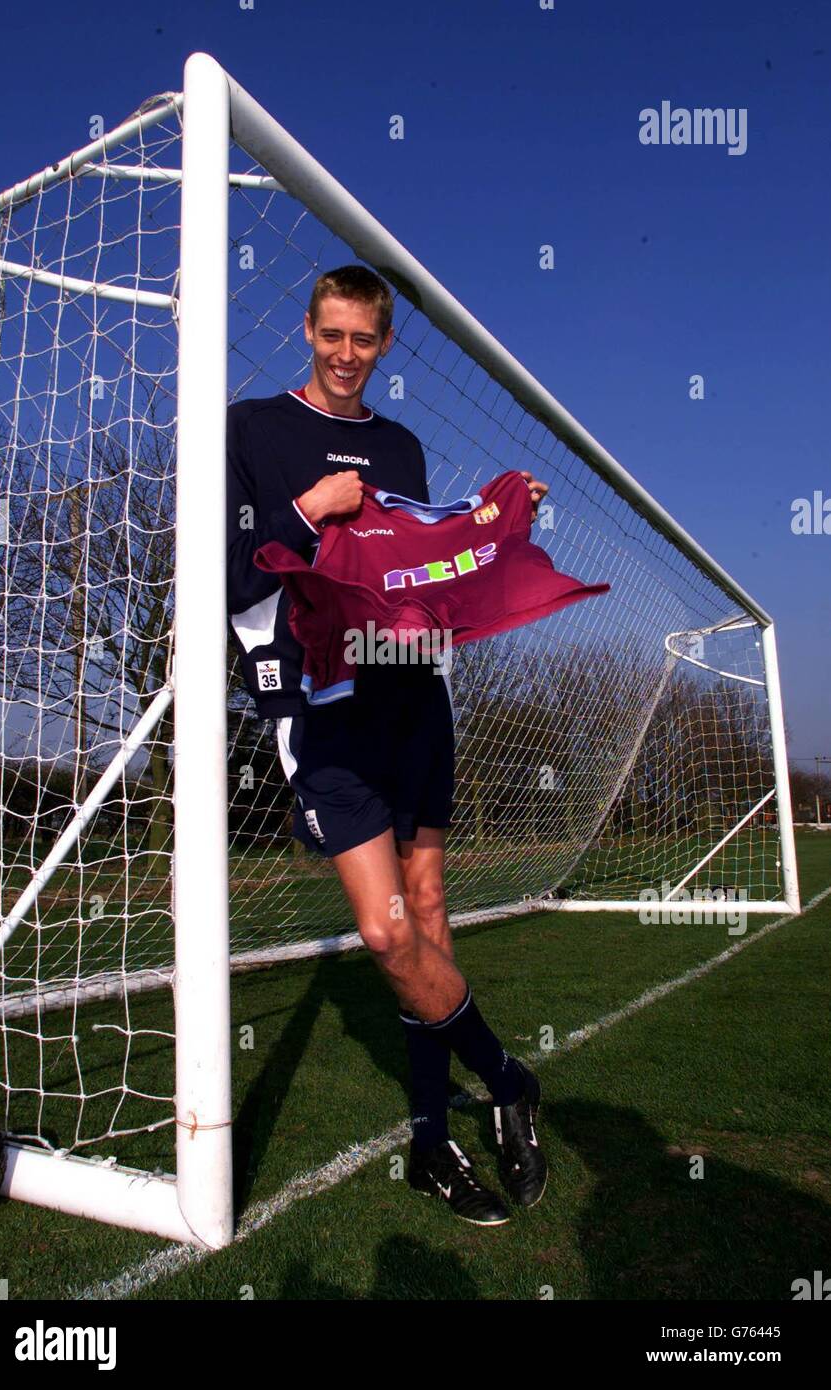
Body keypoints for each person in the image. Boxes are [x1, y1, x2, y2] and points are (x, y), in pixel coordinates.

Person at [227, 265, 549, 1225]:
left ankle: (427, 1141)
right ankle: (504, 1074)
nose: (344, 355)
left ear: (384, 345)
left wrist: (495, 520)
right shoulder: (252, 429)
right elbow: (220, 570)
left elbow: (417, 562)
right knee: (383, 931)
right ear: (307, 328)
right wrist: (307, 511)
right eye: (331, 334)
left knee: (431, 911)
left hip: (408, 692)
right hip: (318, 704)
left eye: (364, 340)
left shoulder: (401, 448)